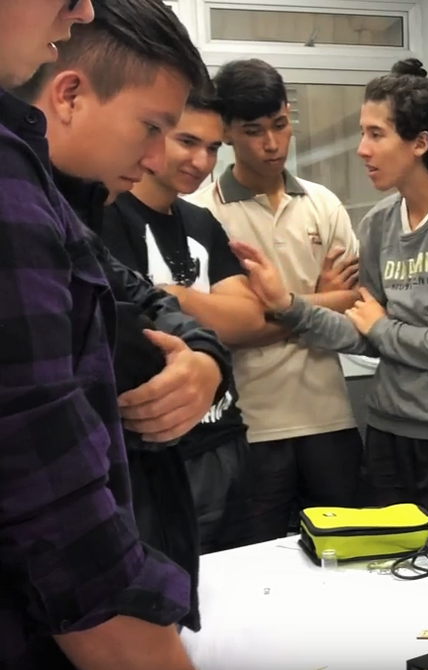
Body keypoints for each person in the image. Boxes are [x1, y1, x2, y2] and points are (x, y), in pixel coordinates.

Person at [13, 0, 236, 639]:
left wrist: (203, 360)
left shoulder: (66, 207)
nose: (164, 156)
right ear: (71, 96)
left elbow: (150, 300)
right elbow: (55, 518)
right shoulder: (19, 208)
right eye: (152, 127)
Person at [231, 60, 428, 515]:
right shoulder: (380, 222)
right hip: (386, 434)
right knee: (387, 572)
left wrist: (383, 330)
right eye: (362, 134)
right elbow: (361, 331)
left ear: (420, 143)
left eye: (375, 134)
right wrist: (287, 305)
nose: (361, 149)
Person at [187, 58, 365, 542]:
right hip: (250, 425)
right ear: (225, 132)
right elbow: (226, 327)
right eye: (253, 130)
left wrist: (287, 305)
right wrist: (317, 298)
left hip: (329, 416)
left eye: (280, 125)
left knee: (348, 559)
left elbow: (354, 306)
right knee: (256, 569)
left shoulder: (324, 205)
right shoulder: (202, 216)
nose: (271, 143)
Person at [101, 84, 263, 554]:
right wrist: (206, 309)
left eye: (213, 147)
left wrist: (172, 295)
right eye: (188, 142)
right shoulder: (109, 217)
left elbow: (248, 318)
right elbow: (135, 334)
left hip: (226, 437)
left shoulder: (201, 222)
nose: (203, 160)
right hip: (156, 455)